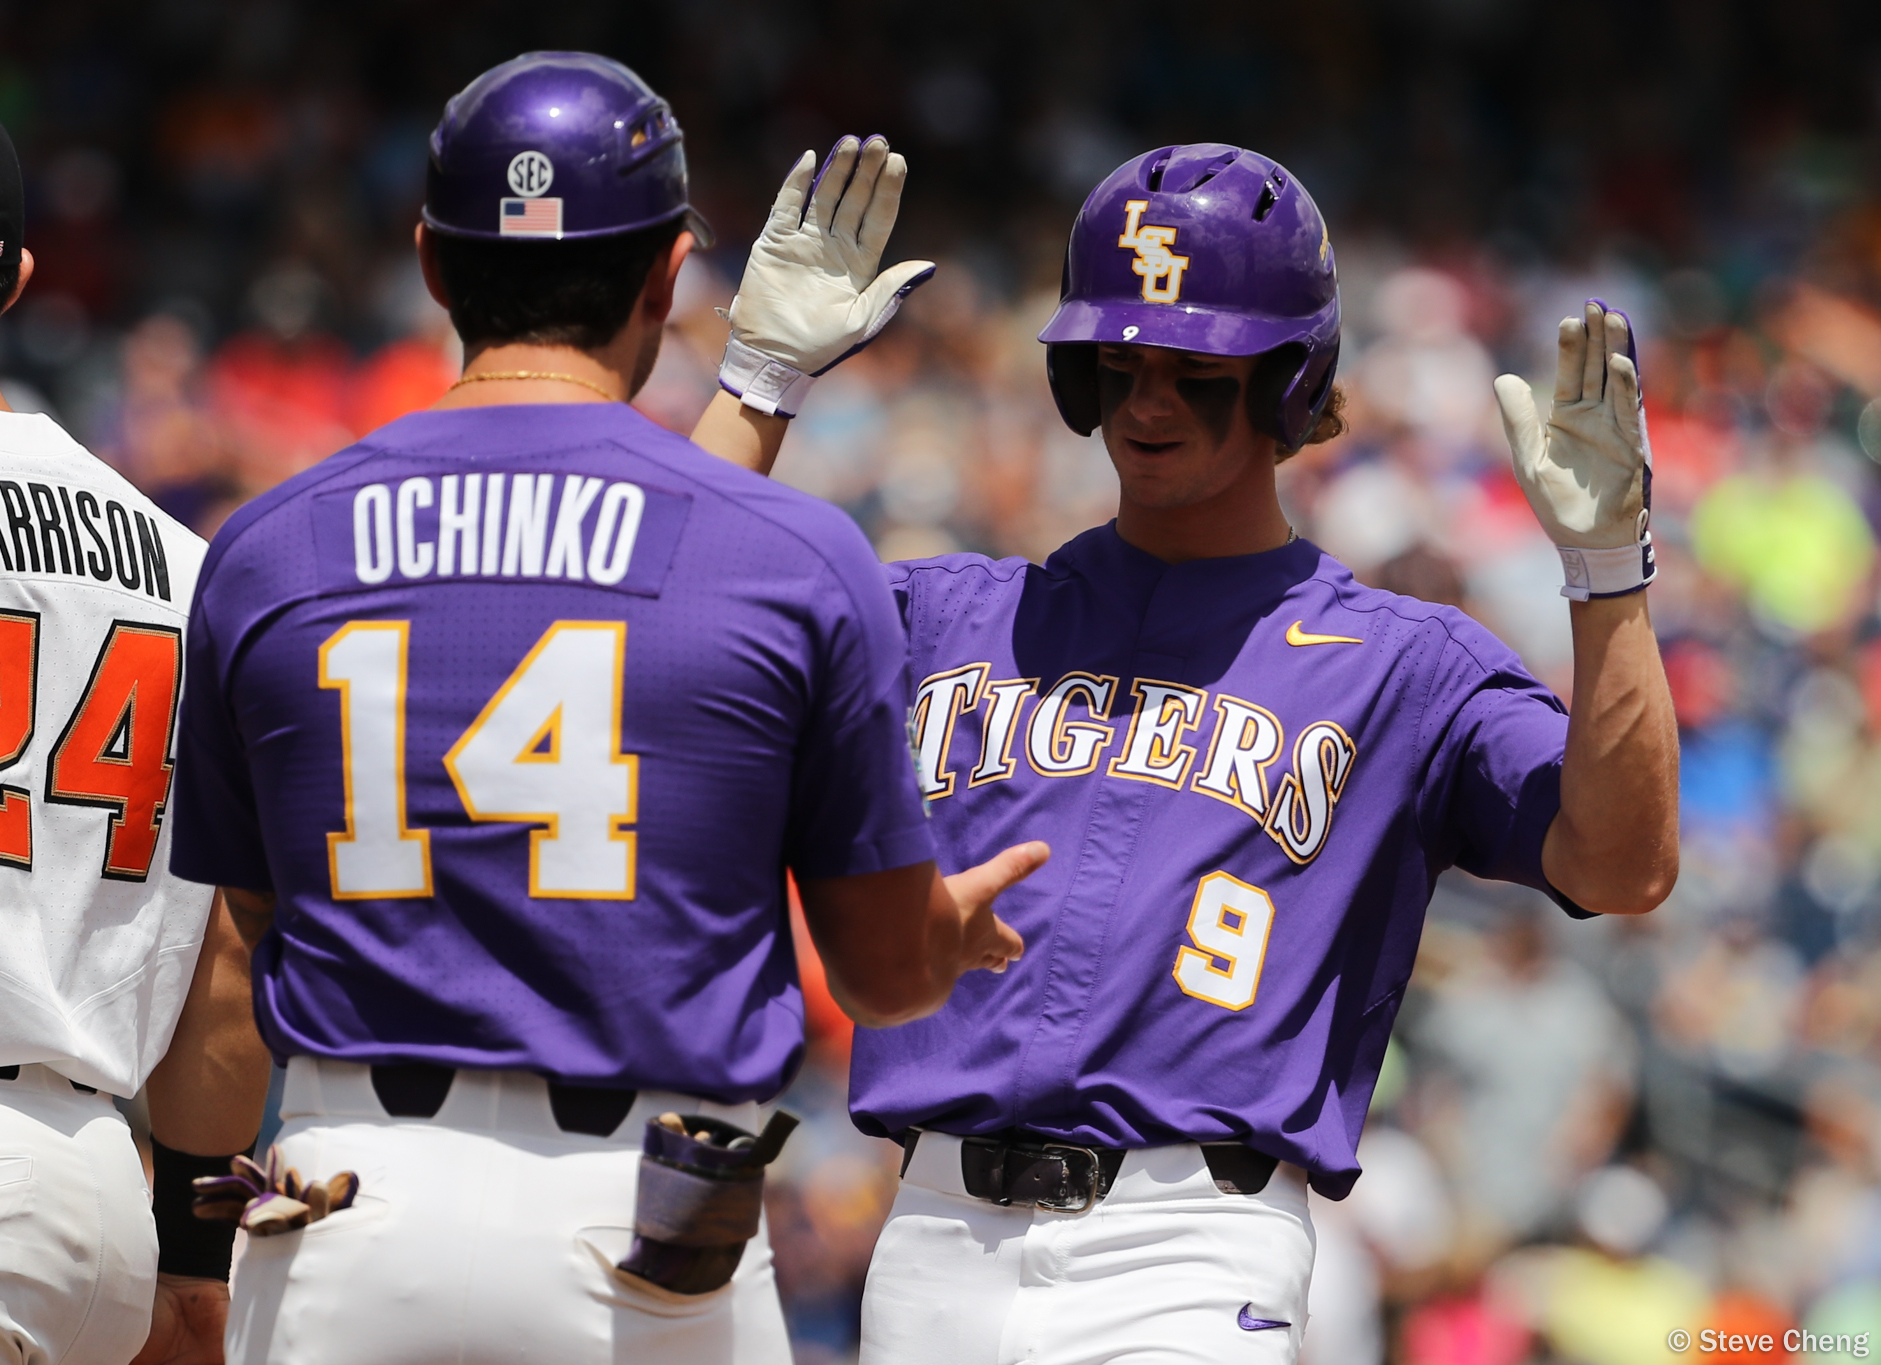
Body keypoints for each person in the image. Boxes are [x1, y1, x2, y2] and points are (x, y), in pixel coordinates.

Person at [699, 142, 1679, 1363]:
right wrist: (756, 382)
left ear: (1288, 384)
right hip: (931, 1240)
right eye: (1116, 365)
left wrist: (1606, 579)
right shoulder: (943, 615)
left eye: (1194, 372)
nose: (1146, 404)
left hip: (1190, 1247)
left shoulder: (1402, 666)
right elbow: (666, 645)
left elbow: (1621, 865)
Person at [154, 52, 1043, 1365]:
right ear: (667, 274)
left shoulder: (270, 544)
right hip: (644, 1217)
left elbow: (233, 961)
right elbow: (879, 975)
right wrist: (940, 938)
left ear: (431, 262)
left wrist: (185, 1258)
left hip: (346, 1198)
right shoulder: (791, 553)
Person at [0, 74, 269, 1365]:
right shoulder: (182, 560)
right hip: (97, 1192)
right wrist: (193, 1264)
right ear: (15, 278)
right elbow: (229, 956)